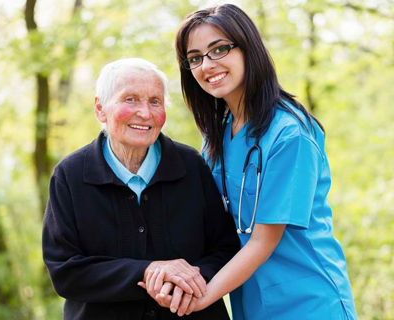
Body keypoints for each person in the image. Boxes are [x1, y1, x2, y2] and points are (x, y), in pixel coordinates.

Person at [143, 4, 358, 320]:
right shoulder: (220, 134)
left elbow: (262, 242)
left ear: (248, 49)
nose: (208, 64)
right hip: (253, 304)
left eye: (219, 49)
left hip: (309, 302)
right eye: (195, 58)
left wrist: (198, 299)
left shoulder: (289, 134)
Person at [42, 58, 240, 320]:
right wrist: (148, 272)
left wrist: (188, 280)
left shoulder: (191, 165)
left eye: (155, 101)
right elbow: (65, 272)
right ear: (100, 109)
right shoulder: (70, 175)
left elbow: (226, 248)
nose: (145, 113)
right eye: (130, 99)